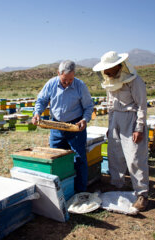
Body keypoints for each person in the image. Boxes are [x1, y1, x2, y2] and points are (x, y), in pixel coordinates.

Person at [92, 51, 149, 211]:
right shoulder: (109, 81)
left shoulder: (135, 81)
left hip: (131, 119)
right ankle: (117, 186)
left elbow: (142, 106)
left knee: (135, 158)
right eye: (105, 70)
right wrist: (110, 127)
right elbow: (110, 107)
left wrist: (139, 128)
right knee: (114, 155)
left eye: (108, 69)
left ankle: (142, 194)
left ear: (118, 66)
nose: (106, 73)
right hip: (116, 120)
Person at [32, 60, 94, 192]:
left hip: (75, 127)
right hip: (56, 126)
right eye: (65, 80)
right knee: (56, 158)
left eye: (71, 79)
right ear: (58, 73)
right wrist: (37, 113)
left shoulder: (80, 85)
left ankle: (80, 192)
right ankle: (58, 191)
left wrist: (85, 119)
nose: (68, 83)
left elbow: (88, 106)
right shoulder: (51, 84)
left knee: (79, 159)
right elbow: (41, 100)